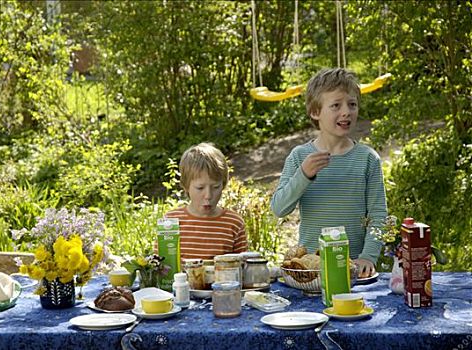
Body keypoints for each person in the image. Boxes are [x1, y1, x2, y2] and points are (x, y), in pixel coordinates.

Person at [271, 68, 387, 278]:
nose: (346, 112)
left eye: (352, 104)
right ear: (316, 112)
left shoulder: (367, 159)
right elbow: (279, 208)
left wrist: (368, 257)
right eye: (336, 105)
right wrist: (303, 175)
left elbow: (378, 216)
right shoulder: (300, 157)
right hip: (311, 269)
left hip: (353, 268)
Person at [164, 142, 248, 260]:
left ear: (223, 185)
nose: (208, 195)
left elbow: (242, 267)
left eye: (215, 187)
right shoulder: (170, 223)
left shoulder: (234, 223)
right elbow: (161, 266)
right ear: (186, 186)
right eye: (200, 188)